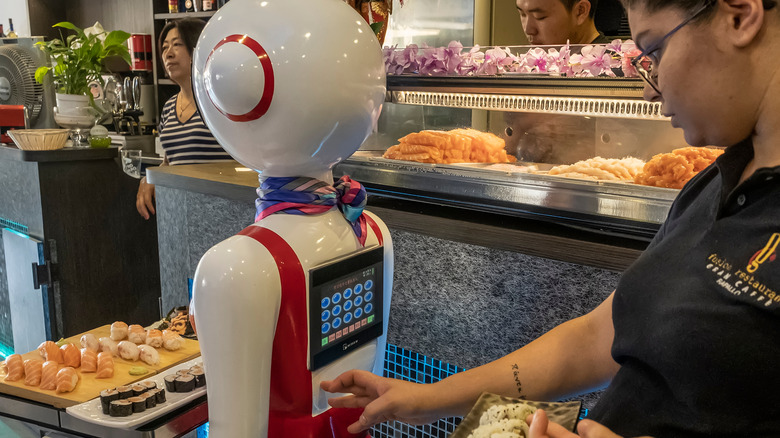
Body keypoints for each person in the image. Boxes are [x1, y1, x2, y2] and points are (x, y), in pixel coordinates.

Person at [322, 0, 780, 436]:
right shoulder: (716, 181)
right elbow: (598, 338)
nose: (648, 87)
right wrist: (427, 398)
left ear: (739, 16)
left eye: (654, 49)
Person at [136, 18, 233, 220]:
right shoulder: (169, 106)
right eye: (164, 47)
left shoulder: (218, 101)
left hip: (221, 210)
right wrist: (150, 178)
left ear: (198, 49)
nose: (168, 53)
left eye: (177, 44)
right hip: (180, 211)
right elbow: (170, 161)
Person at [515, 0, 612, 46]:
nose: (528, 30)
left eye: (539, 17)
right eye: (522, 14)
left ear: (580, 11)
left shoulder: (616, 70)